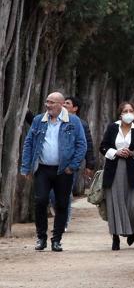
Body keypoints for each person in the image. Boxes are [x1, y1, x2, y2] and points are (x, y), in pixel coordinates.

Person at [20, 92, 87, 252]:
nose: (47, 105)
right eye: (47, 102)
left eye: (51, 102)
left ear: (61, 104)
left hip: (64, 170)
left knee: (62, 204)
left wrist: (73, 166)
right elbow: (29, 143)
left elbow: (81, 144)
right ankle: (41, 237)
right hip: (42, 169)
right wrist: (26, 167)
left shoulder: (73, 121)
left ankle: (56, 239)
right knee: (40, 201)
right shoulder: (38, 120)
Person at [100, 102, 134, 250]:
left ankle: (131, 229)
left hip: (132, 170)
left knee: (133, 203)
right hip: (114, 169)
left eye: (131, 111)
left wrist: (132, 153)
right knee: (115, 202)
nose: (128, 113)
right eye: (125, 111)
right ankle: (115, 237)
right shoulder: (112, 128)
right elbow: (103, 146)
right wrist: (116, 152)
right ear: (120, 114)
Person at [48, 96, 95, 231]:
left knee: (65, 193)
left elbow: (87, 145)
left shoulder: (81, 124)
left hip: (69, 166)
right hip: (51, 165)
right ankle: (60, 215)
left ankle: (63, 222)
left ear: (75, 108)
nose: (64, 105)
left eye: (68, 104)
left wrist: (89, 164)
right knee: (52, 194)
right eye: (63, 103)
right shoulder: (54, 120)